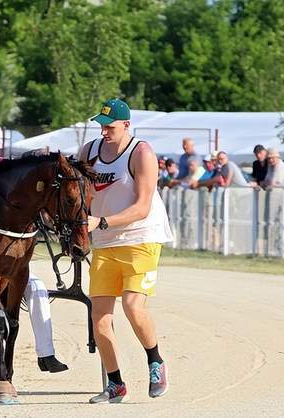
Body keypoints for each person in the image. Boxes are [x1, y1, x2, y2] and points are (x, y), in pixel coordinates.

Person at [80, 98, 172, 403]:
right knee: (100, 318)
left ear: (126, 125)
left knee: (133, 306)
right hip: (104, 242)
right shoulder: (90, 151)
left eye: (110, 126)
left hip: (140, 238)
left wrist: (101, 221)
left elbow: (142, 208)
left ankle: (156, 362)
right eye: (101, 126)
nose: (104, 132)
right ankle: (115, 384)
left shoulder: (141, 153)